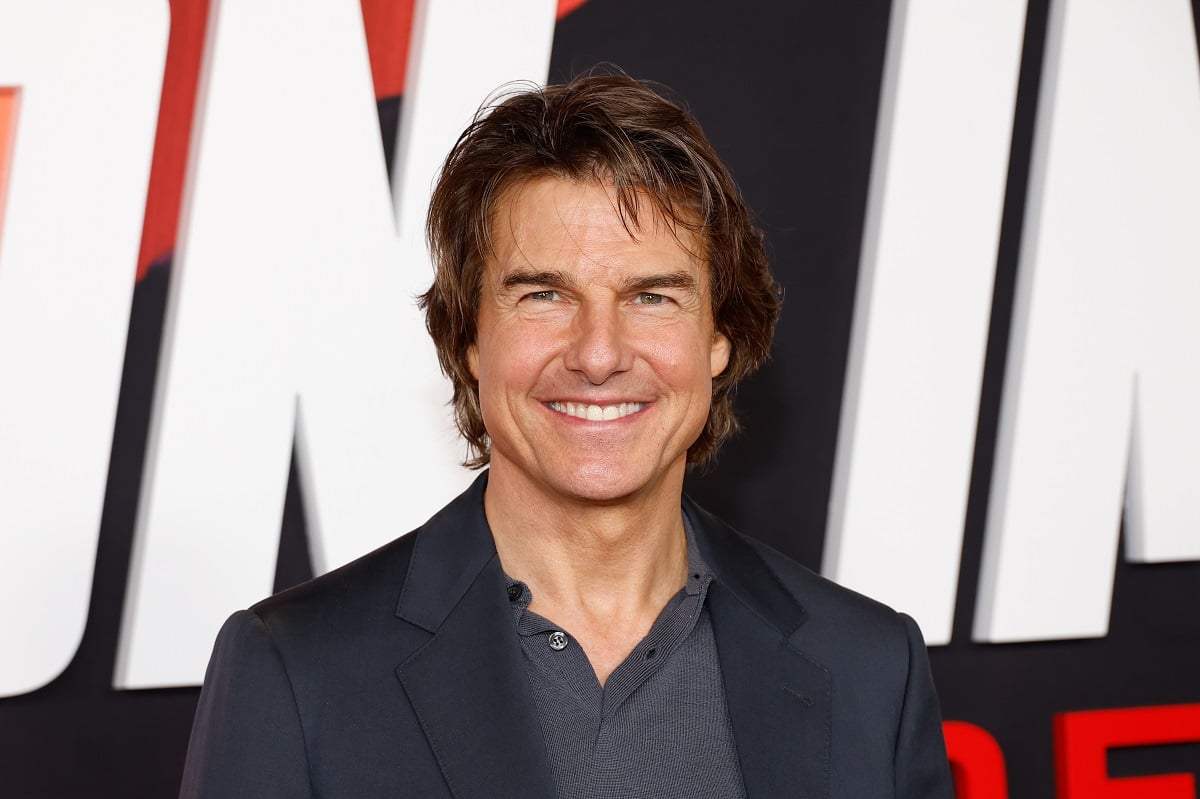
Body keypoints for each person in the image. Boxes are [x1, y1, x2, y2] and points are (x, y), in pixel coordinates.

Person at [180, 73, 953, 799]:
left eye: (651, 296)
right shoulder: (296, 671)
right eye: (545, 294)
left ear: (719, 337)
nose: (598, 353)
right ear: (468, 337)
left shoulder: (867, 669)